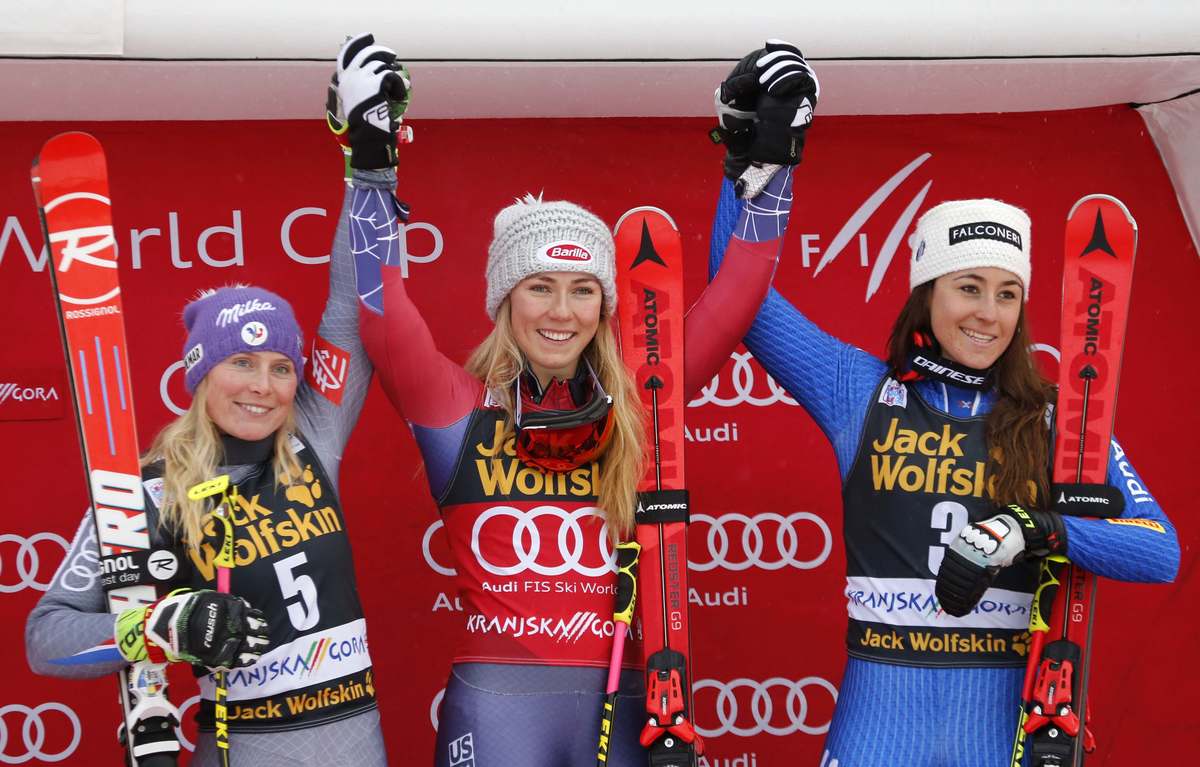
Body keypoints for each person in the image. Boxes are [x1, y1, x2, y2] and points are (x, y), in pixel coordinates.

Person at [329, 34, 819, 767]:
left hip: (626, 700)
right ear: (505, 299)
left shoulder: (642, 401)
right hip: (497, 707)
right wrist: (371, 166)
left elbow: (740, 291)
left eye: (583, 289)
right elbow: (381, 310)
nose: (561, 312)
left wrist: (767, 159)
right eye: (540, 287)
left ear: (605, 304)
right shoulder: (457, 408)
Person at [707, 43, 1181, 767]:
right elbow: (740, 300)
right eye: (968, 287)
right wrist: (754, 165)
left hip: (999, 732)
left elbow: (1159, 550)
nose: (988, 312)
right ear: (927, 294)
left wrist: (1032, 527)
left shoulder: (1056, 415)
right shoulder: (860, 389)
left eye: (1007, 293)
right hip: (877, 731)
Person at [26, 173, 387, 762]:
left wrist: (370, 171)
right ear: (201, 375)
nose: (262, 386)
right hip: (241, 746)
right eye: (241, 362)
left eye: (280, 368)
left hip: (356, 742)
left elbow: (352, 305)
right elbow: (46, 640)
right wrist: (162, 626)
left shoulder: (314, 434)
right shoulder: (148, 491)